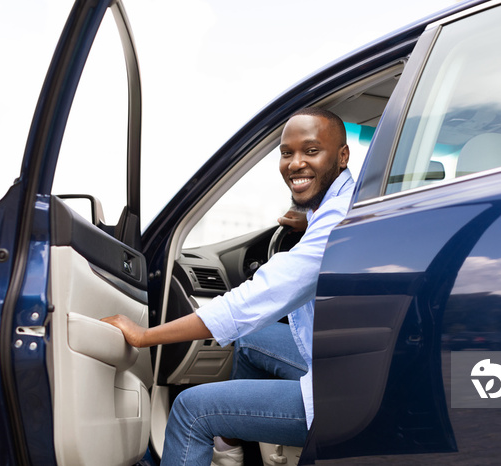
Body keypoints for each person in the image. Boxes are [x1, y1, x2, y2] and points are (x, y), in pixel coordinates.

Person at [102, 107, 355, 466]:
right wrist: (308, 220)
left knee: (192, 410)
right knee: (252, 341)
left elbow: (246, 305)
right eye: (287, 153)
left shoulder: (335, 224)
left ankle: (216, 442)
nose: (295, 163)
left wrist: (143, 336)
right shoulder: (345, 201)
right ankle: (230, 450)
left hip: (345, 395)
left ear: (342, 156)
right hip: (347, 360)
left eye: (311, 151)